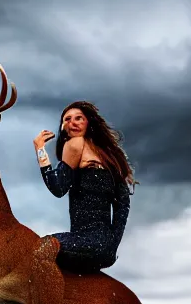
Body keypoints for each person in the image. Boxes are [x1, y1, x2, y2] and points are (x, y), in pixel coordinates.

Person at [33, 101, 136, 273]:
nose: (72, 122)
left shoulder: (75, 144)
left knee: (37, 247)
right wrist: (112, 246)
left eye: (78, 118)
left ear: (88, 122)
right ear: (63, 127)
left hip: (84, 241)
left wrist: (40, 150)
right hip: (105, 247)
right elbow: (122, 205)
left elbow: (58, 188)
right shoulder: (111, 156)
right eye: (67, 119)